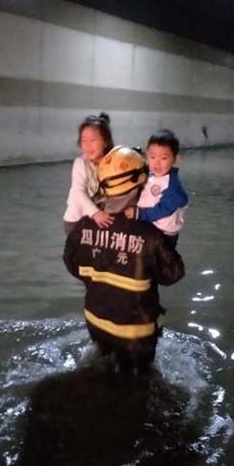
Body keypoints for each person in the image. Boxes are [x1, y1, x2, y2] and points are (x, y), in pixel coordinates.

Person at [64, 145, 185, 375]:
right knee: (137, 383)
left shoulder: (84, 225)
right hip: (136, 335)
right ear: (140, 186)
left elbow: (72, 265)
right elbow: (173, 274)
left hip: (96, 322)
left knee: (101, 368)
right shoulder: (149, 234)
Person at [124, 129, 188, 249]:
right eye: (152, 157)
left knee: (156, 264)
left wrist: (139, 214)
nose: (157, 163)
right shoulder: (150, 175)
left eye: (163, 158)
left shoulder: (172, 186)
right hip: (147, 226)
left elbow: (163, 210)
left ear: (175, 159)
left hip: (163, 235)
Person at [63, 112, 114, 235]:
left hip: (98, 220)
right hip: (76, 221)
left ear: (106, 142)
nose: (87, 145)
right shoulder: (80, 163)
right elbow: (78, 191)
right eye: (83, 140)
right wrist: (95, 213)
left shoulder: (112, 162)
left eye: (93, 140)